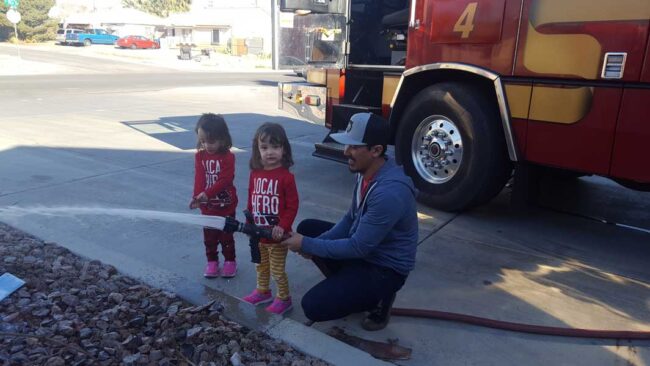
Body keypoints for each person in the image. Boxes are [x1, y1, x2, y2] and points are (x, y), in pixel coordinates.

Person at [281, 112, 418, 331]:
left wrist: (307, 245)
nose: (346, 152)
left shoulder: (389, 193)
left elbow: (357, 247)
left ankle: (379, 299)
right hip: (366, 250)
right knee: (308, 229)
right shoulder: (366, 172)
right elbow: (349, 219)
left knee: (313, 306)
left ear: (376, 150)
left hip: (384, 268)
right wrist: (313, 244)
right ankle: (352, 286)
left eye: (354, 147)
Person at [242, 122, 299, 315]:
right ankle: (262, 291)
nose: (270, 152)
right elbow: (251, 199)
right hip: (258, 235)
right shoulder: (255, 174)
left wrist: (283, 226)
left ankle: (284, 298)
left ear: (284, 149)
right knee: (260, 266)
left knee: (277, 270)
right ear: (257, 150)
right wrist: (249, 223)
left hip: (276, 236)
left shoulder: (286, 178)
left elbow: (292, 206)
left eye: (276, 146)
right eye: (264, 147)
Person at [189, 113, 238, 278]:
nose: (206, 145)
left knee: (226, 237)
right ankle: (212, 262)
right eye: (202, 141)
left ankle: (230, 261)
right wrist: (197, 197)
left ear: (223, 139)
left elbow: (225, 180)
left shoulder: (228, 157)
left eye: (211, 141)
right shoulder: (200, 156)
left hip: (226, 206)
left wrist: (207, 193)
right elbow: (199, 177)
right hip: (207, 207)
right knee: (209, 238)